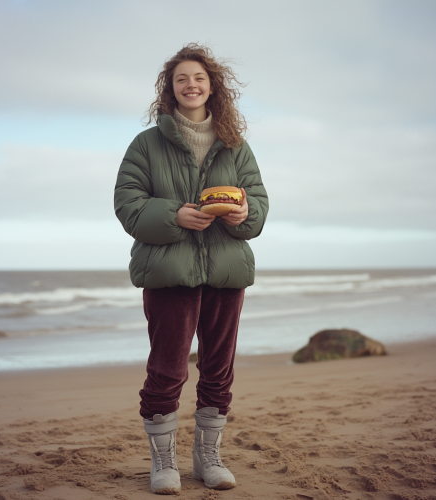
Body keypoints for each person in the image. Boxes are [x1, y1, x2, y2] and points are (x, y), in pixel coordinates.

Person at [114, 43, 268, 495]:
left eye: (198, 77)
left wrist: (244, 215)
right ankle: (164, 463)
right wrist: (174, 216)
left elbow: (257, 202)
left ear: (212, 85)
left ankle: (208, 457)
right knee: (167, 371)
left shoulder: (236, 146)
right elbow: (127, 204)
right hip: (169, 274)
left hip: (226, 272)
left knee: (219, 370)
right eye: (181, 78)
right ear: (171, 89)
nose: (191, 85)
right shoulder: (146, 144)